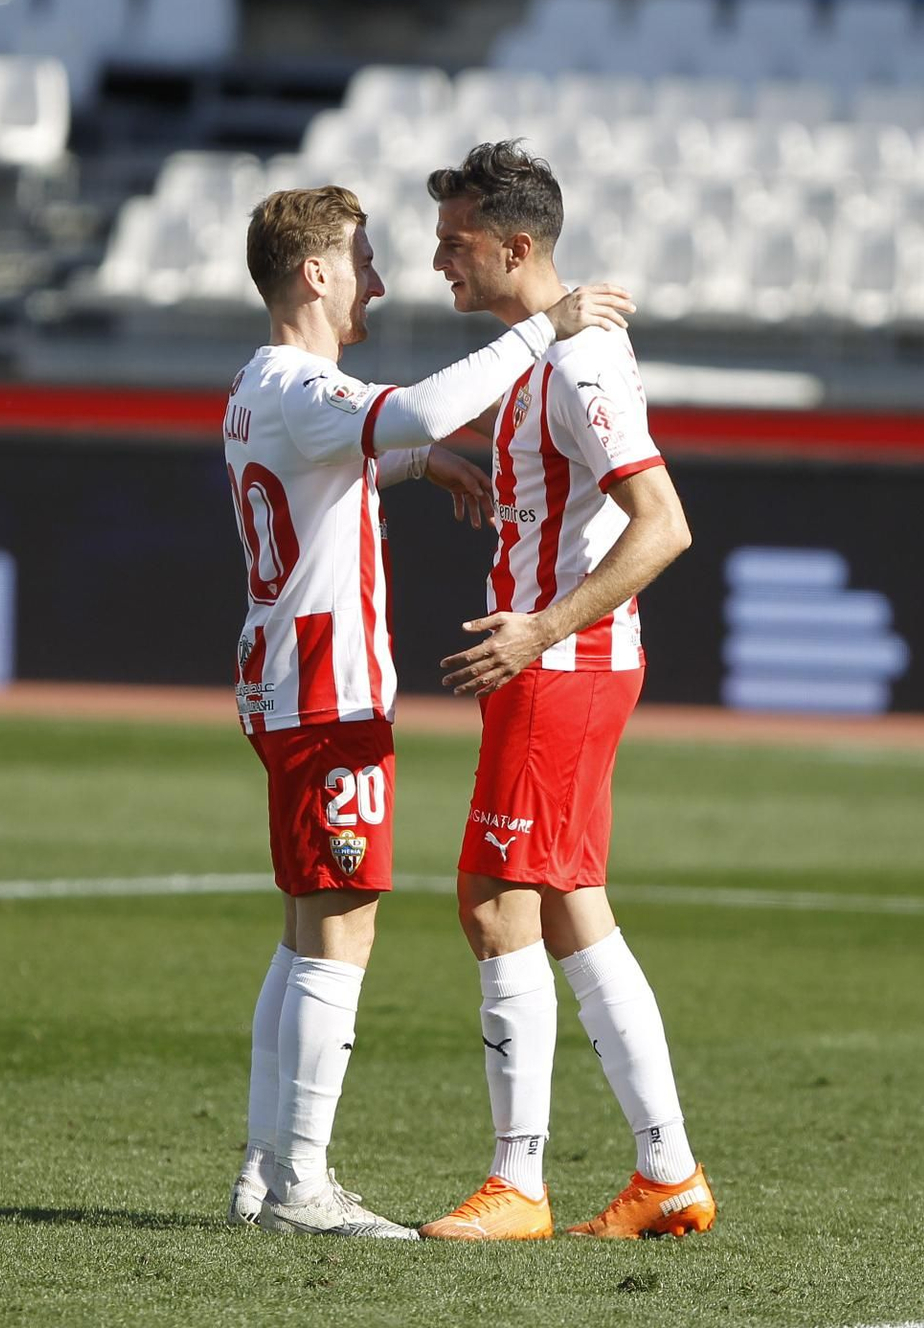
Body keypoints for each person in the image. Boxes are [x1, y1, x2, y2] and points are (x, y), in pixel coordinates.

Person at [223, 184, 633, 1238]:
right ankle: (302, 1185)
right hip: (328, 689)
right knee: (338, 933)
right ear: (313, 275)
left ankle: (265, 1169)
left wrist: (420, 465)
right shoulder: (308, 386)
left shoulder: (262, 386)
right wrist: (546, 325)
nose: (381, 279)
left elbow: (358, 450)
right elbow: (402, 413)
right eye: (361, 260)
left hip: (284, 679)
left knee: (302, 926)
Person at [416, 141, 712, 1242]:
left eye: (455, 244)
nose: (440, 261)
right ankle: (667, 1174)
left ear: (516, 245)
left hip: (560, 665)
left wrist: (539, 625)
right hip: (561, 661)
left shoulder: (577, 362)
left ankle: (517, 1184)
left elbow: (665, 525)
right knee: (571, 911)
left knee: (495, 905)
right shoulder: (540, 355)